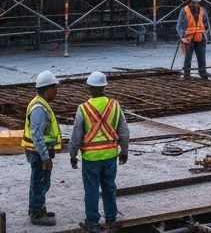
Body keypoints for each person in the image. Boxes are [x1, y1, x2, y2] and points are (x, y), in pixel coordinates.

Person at [68, 71, 130, 232]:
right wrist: (124, 151)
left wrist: (73, 155)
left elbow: (76, 135)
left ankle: (92, 222)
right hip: (110, 155)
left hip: (91, 158)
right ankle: (111, 220)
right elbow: (124, 131)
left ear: (89, 88)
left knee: (91, 191)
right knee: (109, 188)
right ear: (104, 87)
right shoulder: (115, 105)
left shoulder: (83, 109)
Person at [21, 70, 61, 227]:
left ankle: (37, 208)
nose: (56, 91)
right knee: (40, 181)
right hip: (38, 152)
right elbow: (37, 135)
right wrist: (45, 157)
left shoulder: (41, 104)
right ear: (47, 89)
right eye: (55, 88)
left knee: (39, 180)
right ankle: (37, 213)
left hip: (39, 151)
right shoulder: (39, 108)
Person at [176, 0, 211, 79]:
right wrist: (182, 36)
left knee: (202, 58)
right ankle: (186, 75)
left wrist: (207, 35)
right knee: (188, 58)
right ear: (191, 1)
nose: (196, 4)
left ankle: (203, 74)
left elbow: (207, 25)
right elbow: (179, 25)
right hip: (189, 38)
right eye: (194, 2)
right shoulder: (184, 10)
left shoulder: (203, 10)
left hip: (201, 37)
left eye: (197, 2)